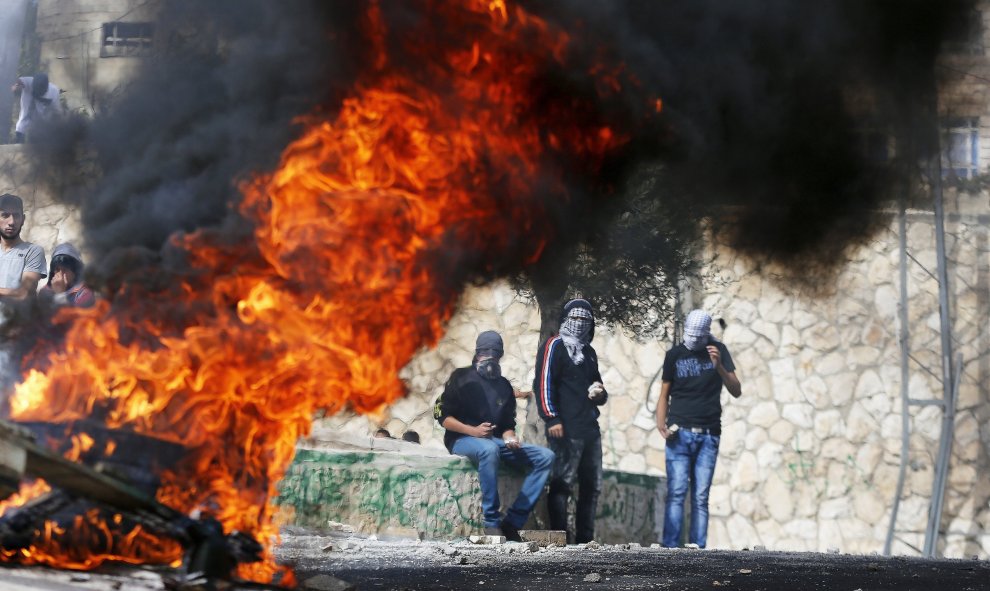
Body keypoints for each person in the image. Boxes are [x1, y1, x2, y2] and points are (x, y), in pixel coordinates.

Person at [435, 330, 554, 542]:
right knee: (488, 449)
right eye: (485, 352)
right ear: (477, 353)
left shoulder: (504, 386)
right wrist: (473, 431)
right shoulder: (461, 378)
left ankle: (513, 522)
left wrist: (510, 438)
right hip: (462, 440)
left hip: (494, 442)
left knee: (546, 457)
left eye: (496, 353)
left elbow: (508, 425)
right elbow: (443, 417)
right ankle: (492, 522)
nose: (490, 357)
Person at [655, 309, 742, 549]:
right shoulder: (674, 354)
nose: (693, 339)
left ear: (706, 333)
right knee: (676, 492)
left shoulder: (719, 350)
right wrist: (660, 424)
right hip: (679, 433)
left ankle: (698, 551)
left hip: (709, 435)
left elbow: (736, 390)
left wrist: (720, 368)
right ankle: (670, 549)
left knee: (701, 497)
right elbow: (664, 393)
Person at [534, 298, 608, 544]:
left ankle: (586, 540)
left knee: (592, 486)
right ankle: (560, 538)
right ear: (566, 319)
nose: (579, 323)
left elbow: (597, 387)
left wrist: (600, 392)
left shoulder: (589, 352)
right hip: (564, 429)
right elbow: (543, 384)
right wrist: (551, 417)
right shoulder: (554, 345)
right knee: (562, 483)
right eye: (575, 318)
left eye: (585, 319)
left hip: (590, 429)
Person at [0, 194, 46, 300]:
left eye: (16, 216)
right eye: (5, 215)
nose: (11, 222)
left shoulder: (33, 251)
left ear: (23, 219)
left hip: (16, 316)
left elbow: (24, 293)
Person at [39, 243, 95, 308]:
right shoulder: (45, 291)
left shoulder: (85, 294)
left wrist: (60, 295)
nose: (60, 274)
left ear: (75, 272)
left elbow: (77, 317)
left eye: (65, 270)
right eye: (57, 269)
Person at [11, 73, 62, 143]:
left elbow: (57, 112)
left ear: (46, 88)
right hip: (22, 126)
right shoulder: (29, 81)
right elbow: (19, 81)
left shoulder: (54, 91)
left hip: (41, 128)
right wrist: (16, 86)